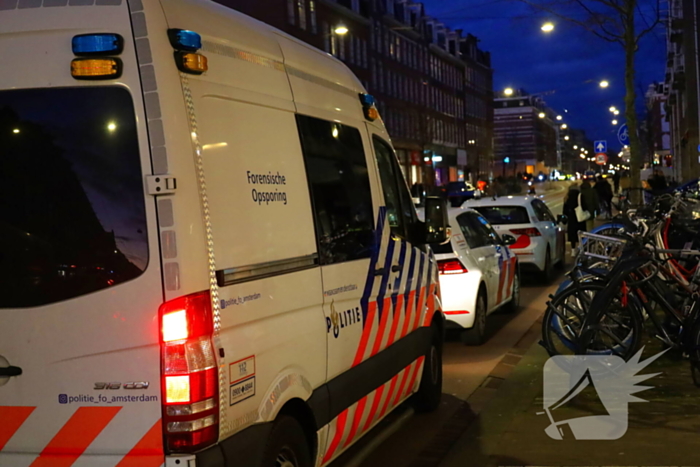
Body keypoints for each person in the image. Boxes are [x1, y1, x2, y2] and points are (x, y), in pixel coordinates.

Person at [563, 184, 586, 256]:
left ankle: (573, 250)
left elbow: (565, 210)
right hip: (579, 217)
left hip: (571, 218)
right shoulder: (580, 196)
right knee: (581, 233)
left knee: (572, 234)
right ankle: (581, 248)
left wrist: (565, 218)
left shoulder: (567, 197)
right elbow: (584, 206)